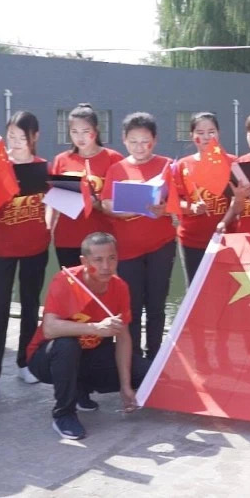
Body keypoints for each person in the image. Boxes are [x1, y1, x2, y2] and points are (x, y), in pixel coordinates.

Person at [26, 232, 147, 440]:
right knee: (67, 345)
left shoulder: (120, 286)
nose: (106, 266)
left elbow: (123, 337)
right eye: (98, 260)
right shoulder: (66, 280)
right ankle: (64, 413)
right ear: (84, 261)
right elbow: (49, 329)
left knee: (146, 372)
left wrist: (125, 386)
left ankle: (81, 388)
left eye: (111, 258)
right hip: (47, 358)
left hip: (90, 354)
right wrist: (96, 328)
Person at [0, 111, 52, 402]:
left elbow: (53, 201)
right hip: (2, 248)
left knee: (31, 305)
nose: (17, 142)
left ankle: (25, 362)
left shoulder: (43, 167)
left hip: (35, 245)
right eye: (12, 136)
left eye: (22, 137)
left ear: (35, 137)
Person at [101, 112, 177, 360]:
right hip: (127, 249)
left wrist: (165, 209)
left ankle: (155, 355)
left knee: (156, 304)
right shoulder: (117, 168)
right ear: (124, 140)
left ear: (154, 140)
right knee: (131, 306)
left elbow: (178, 203)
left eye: (145, 141)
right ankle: (132, 357)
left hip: (161, 246)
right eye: (133, 141)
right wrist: (132, 208)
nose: (139, 147)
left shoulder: (167, 166)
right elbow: (106, 204)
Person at [49, 103, 123, 269]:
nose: (80, 137)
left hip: (103, 238)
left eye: (85, 131)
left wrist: (97, 203)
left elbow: (120, 202)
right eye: (74, 132)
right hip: (68, 237)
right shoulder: (62, 159)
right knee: (72, 283)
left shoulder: (113, 158)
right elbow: (54, 202)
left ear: (96, 131)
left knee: (102, 282)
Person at [170, 112, 234, 280]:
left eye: (211, 132)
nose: (206, 137)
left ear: (218, 133)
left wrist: (225, 221)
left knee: (226, 289)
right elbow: (175, 202)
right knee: (195, 289)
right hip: (192, 240)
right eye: (200, 132)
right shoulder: (183, 165)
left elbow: (240, 200)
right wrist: (192, 208)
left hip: (226, 238)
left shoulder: (232, 162)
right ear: (192, 135)